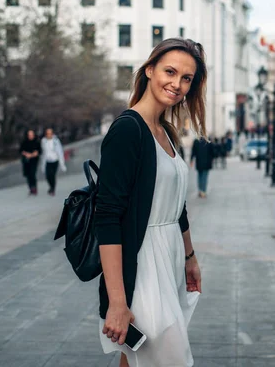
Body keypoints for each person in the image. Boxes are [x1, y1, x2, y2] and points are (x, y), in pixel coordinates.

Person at [94, 38, 206, 367]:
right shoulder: (128, 130)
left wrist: (189, 256)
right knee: (170, 360)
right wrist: (117, 301)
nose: (177, 84)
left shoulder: (166, 131)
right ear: (149, 70)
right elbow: (108, 217)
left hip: (168, 257)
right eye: (170, 72)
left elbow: (177, 206)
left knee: (140, 359)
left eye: (187, 78)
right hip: (142, 264)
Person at [40, 127, 66, 196]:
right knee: (48, 176)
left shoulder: (56, 141)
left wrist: (62, 164)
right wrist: (42, 165)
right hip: (47, 161)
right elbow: (43, 152)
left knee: (52, 175)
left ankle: (52, 189)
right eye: (47, 133)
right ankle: (51, 187)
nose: (49, 135)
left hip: (55, 160)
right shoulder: (43, 141)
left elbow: (60, 152)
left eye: (50, 133)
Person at [19, 130, 41, 195]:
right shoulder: (24, 142)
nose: (30, 136)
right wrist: (26, 154)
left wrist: (32, 155)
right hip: (26, 161)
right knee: (28, 175)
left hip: (34, 160)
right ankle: (31, 188)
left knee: (32, 173)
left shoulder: (37, 142)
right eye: (29, 135)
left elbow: (39, 151)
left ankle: (34, 187)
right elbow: (21, 150)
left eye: (32, 135)